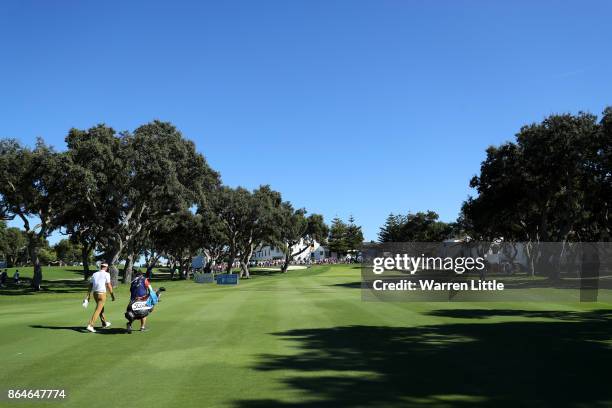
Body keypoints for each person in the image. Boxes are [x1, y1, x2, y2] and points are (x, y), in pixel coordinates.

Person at [85, 263, 115, 333]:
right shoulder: (107, 274)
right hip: (102, 294)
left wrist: (88, 295)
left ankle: (104, 323)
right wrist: (112, 295)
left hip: (95, 294)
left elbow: (90, 285)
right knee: (98, 310)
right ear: (106, 268)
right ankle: (90, 325)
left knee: (101, 308)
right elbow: (109, 285)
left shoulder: (95, 274)